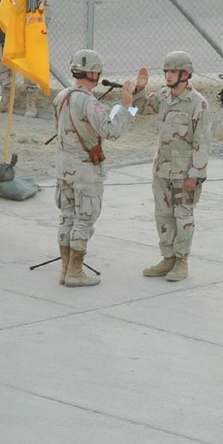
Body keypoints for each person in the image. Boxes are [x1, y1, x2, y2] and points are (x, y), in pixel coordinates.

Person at [53, 49, 138, 287]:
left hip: (64, 169)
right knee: (83, 220)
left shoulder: (61, 96)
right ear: (92, 73)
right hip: (85, 172)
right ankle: (75, 272)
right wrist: (127, 106)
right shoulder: (89, 102)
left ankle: (65, 269)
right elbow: (111, 131)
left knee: (66, 217)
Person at [132, 51, 212, 282]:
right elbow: (140, 109)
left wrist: (195, 175)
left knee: (183, 216)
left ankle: (181, 261)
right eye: (166, 71)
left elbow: (203, 142)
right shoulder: (164, 96)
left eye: (173, 71)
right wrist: (139, 89)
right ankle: (167, 258)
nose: (168, 75)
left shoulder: (198, 104)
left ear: (185, 74)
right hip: (162, 169)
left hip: (184, 172)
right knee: (163, 215)